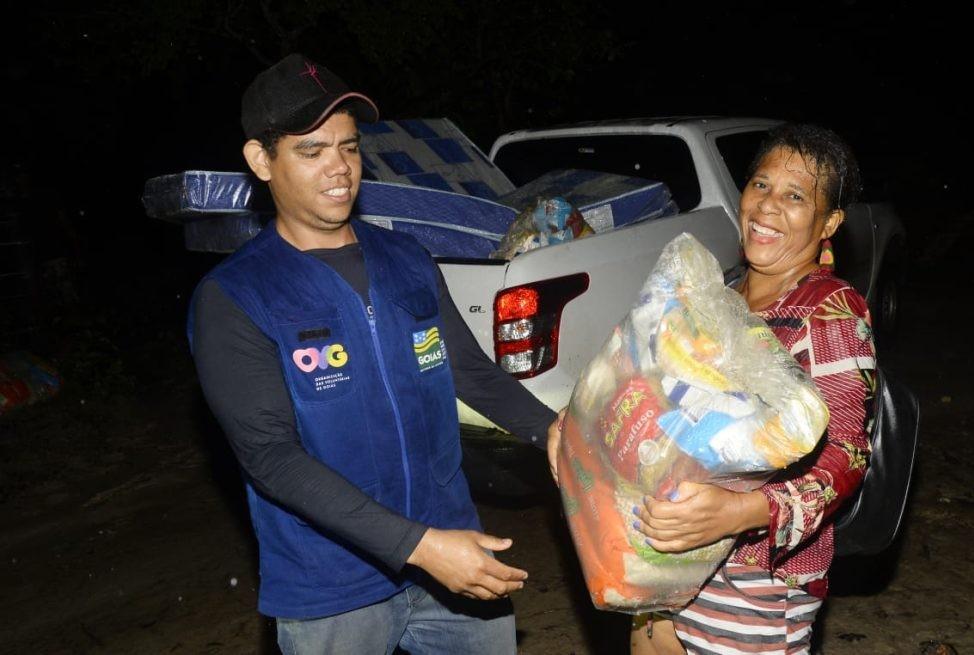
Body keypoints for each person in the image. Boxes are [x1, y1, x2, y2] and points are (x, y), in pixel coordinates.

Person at [188, 53, 559, 655]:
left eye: (350, 146)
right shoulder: (235, 296)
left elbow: (464, 368)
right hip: (331, 585)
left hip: (454, 555)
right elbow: (270, 457)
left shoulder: (406, 257)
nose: (339, 167)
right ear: (261, 160)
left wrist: (553, 432)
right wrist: (419, 546)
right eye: (311, 151)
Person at [549, 124, 875, 654]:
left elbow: (848, 455)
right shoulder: (716, 292)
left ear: (829, 221)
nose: (768, 206)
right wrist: (574, 423)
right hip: (665, 558)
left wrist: (738, 512)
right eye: (761, 185)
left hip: (759, 577)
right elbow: (642, 381)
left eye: (796, 196)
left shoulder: (830, 311)